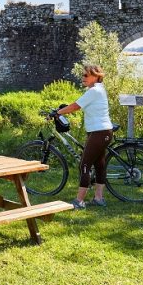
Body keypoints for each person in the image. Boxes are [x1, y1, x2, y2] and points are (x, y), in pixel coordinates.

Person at [55, 64, 113, 209]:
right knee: (99, 165)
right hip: (103, 131)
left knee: (84, 165)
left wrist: (58, 113)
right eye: (82, 75)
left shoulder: (94, 91)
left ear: (96, 76)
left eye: (86, 75)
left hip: (98, 132)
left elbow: (75, 106)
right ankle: (99, 198)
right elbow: (78, 104)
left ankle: (79, 201)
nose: (83, 78)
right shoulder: (98, 89)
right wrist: (63, 109)